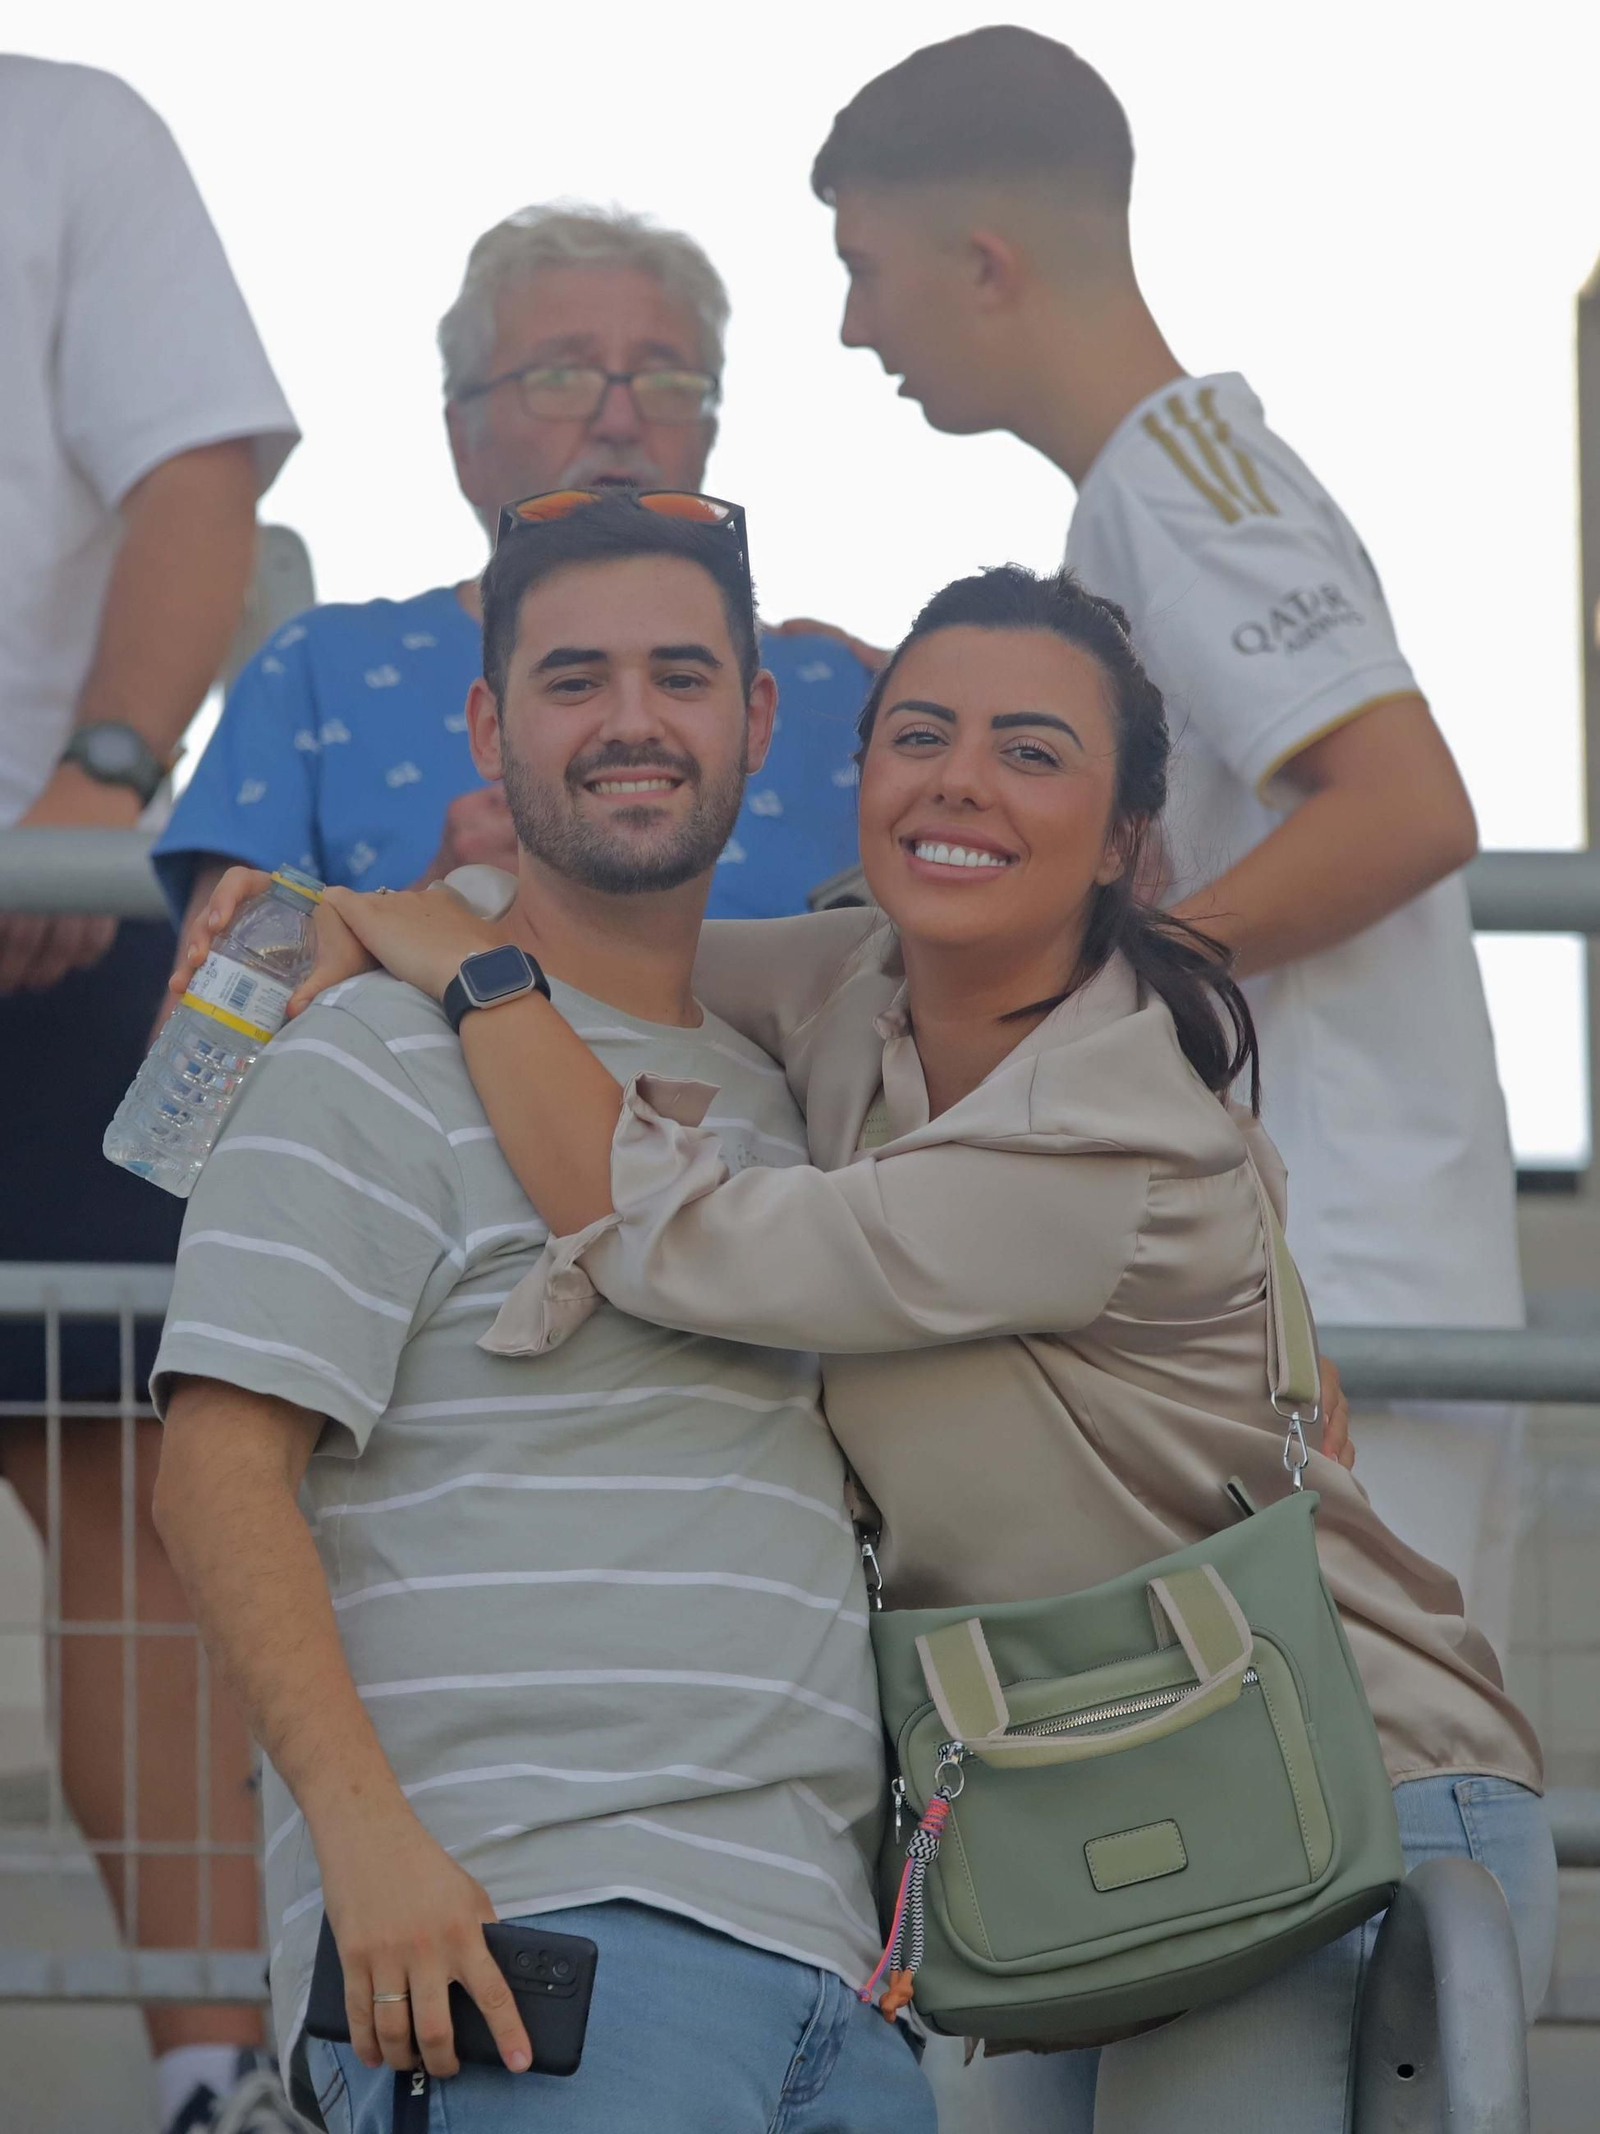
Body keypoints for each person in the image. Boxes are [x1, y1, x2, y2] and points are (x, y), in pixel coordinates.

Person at [246, 556, 1554, 2134]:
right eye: (921, 733)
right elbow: (618, 960)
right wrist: (377, 921)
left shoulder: (1105, 1130)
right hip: (1088, 1781)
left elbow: (671, 1233)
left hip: (1330, 1772)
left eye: (1033, 751)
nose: (963, 783)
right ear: (855, 775)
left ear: (1127, 841)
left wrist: (462, 964)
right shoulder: (854, 987)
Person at [148, 494, 935, 2133]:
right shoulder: (362, 1050)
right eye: (574, 678)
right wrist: (370, 1847)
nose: (633, 720)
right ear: (491, 726)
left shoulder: (803, 1082)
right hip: (524, 1954)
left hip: (838, 1985)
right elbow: (214, 1470)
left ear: (759, 718)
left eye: (681, 674)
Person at [802, 26, 1525, 1655]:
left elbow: (1407, 803)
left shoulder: (1186, 484)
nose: (852, 329)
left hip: (1338, 1278)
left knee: (1364, 1824)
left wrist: (1092, 991)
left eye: (861, 269)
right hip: (1298, 1273)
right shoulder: (1146, 501)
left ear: (983, 262)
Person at [0, 56, 300, 2134]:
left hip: (41, 901)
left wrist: (101, 779)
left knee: (117, 1479)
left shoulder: (63, 128)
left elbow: (207, 478)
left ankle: (210, 2073)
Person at [150, 202, 872, 945]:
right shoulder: (318, 668)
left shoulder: (853, 696)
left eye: (667, 382)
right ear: (464, 437)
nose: (620, 420)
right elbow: (204, 1038)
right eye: (561, 376)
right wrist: (432, 907)